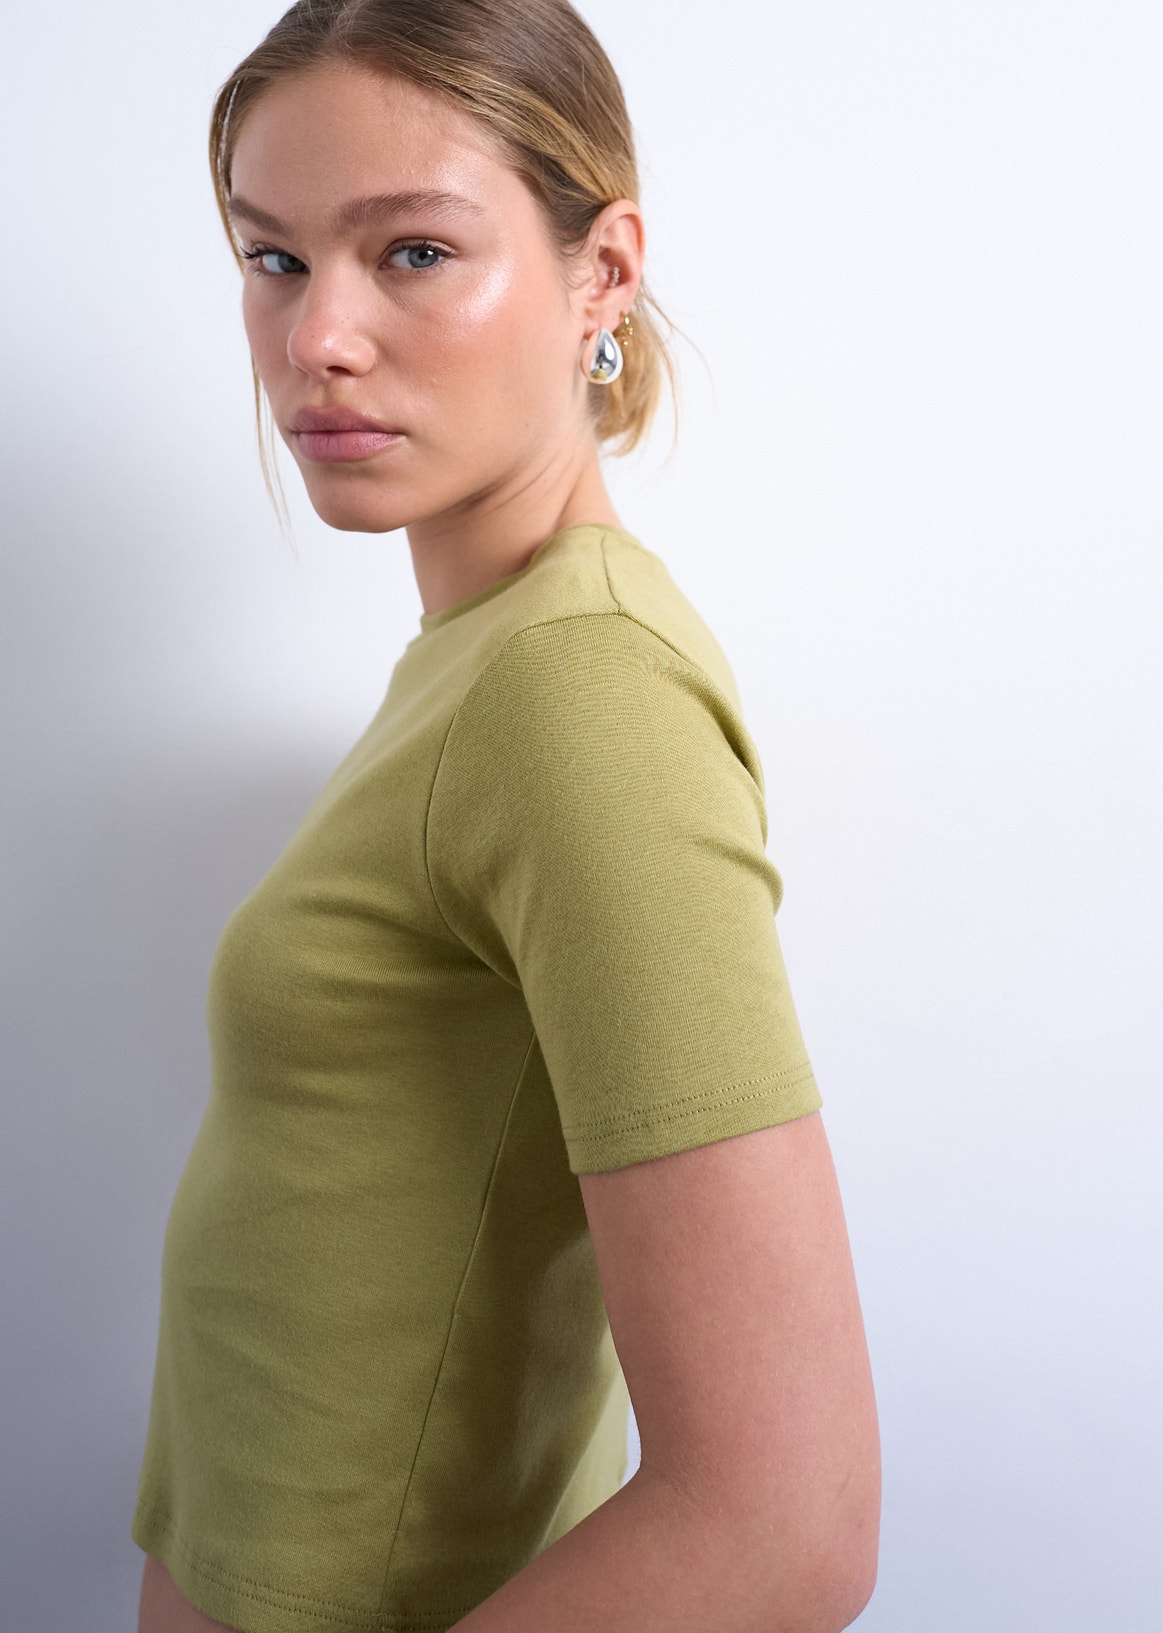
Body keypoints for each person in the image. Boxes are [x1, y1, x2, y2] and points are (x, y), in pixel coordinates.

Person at [131, 2, 880, 1629]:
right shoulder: (485, 659)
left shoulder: (578, 692)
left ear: (602, 272)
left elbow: (787, 1519)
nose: (318, 336)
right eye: (274, 259)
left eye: (412, 252)